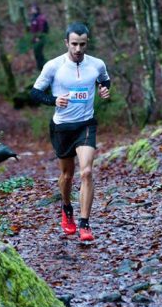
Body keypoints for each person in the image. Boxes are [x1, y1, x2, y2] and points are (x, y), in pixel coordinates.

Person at [30, 22, 110, 242]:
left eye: (82, 44)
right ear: (66, 43)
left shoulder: (96, 64)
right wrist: (54, 100)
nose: (78, 49)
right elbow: (35, 93)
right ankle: (66, 208)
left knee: (86, 172)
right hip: (62, 127)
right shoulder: (53, 66)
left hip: (85, 124)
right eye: (74, 44)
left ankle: (85, 224)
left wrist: (104, 89)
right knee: (67, 175)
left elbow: (104, 80)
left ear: (87, 43)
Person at [29, 5, 49, 71]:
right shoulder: (33, 18)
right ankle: (39, 68)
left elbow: (41, 29)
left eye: (33, 9)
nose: (31, 10)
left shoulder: (40, 18)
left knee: (39, 53)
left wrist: (39, 37)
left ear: (36, 10)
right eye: (31, 9)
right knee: (36, 53)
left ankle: (43, 68)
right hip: (35, 39)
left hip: (39, 39)